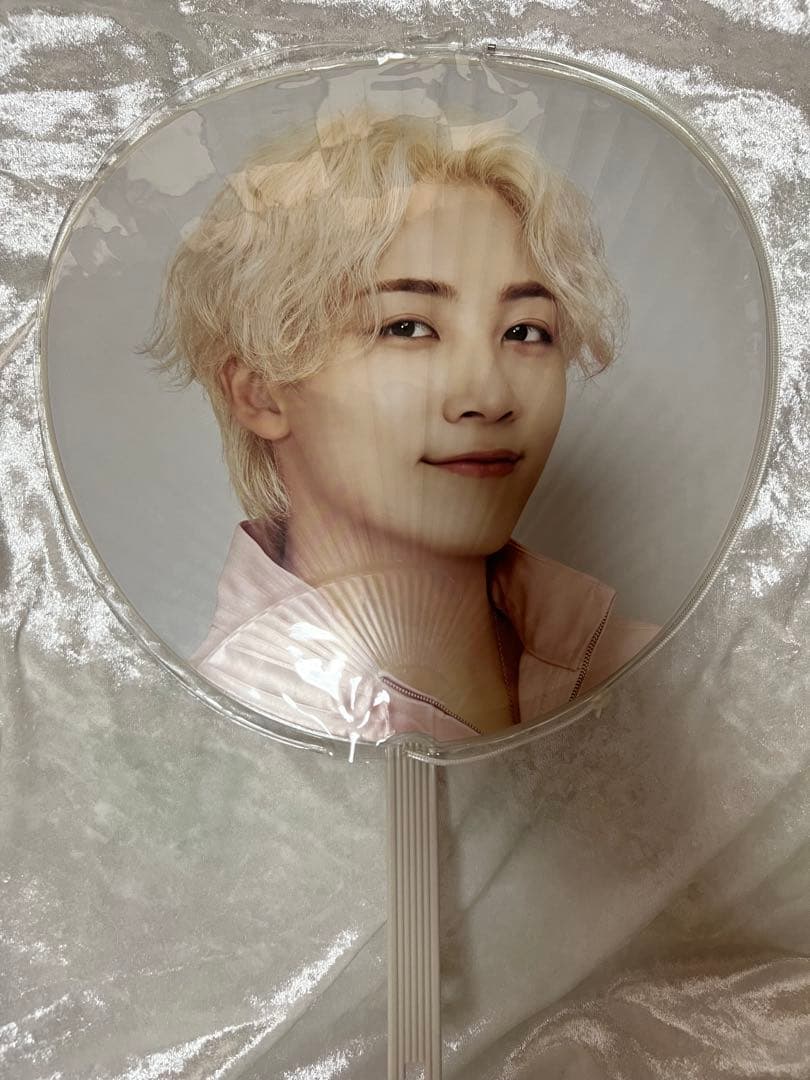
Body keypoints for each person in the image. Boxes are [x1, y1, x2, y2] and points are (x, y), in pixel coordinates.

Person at [145, 108, 659, 746]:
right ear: (260, 392)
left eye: (526, 331)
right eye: (407, 327)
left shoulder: (658, 682)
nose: (488, 397)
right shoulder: (231, 743)